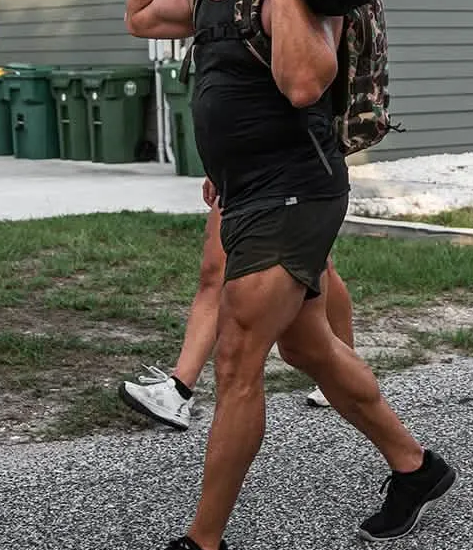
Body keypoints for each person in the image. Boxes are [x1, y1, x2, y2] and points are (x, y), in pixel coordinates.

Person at [117, 0, 454, 550]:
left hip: (297, 195)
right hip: (245, 195)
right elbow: (138, 15)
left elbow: (305, 81)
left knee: (239, 360)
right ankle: (415, 467)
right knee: (310, 348)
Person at [119, 177, 353, 431]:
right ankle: (179, 388)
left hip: (294, 170)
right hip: (246, 167)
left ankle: (343, 375)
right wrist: (219, 164)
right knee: (215, 271)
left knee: (319, 265)